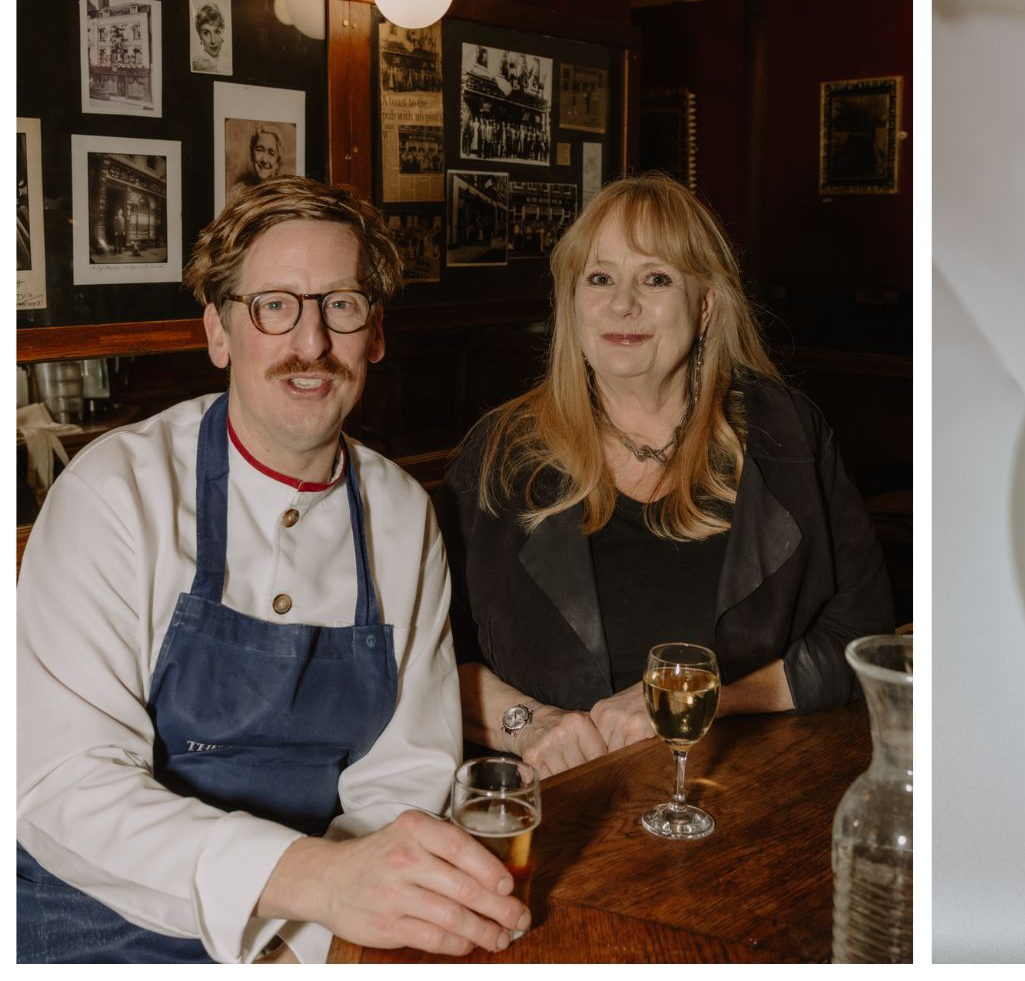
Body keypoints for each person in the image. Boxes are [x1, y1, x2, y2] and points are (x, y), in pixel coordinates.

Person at [17, 177, 528, 963]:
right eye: (274, 306)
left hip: (317, 934)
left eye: (342, 305)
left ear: (376, 333)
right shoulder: (115, 494)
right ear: (219, 333)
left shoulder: (399, 512)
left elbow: (406, 771)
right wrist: (308, 883)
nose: (312, 344)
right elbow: (67, 788)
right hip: (97, 924)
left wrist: (306, 935)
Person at [437, 174, 894, 779]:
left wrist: (705, 699)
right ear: (572, 303)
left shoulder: (785, 435)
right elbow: (427, 656)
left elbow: (862, 640)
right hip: (561, 806)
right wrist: (527, 723)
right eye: (600, 278)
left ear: (705, 306)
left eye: (656, 278)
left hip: (748, 796)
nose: (622, 303)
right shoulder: (499, 455)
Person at [192, 3, 227, 73]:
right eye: (206, 33)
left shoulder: (228, 62)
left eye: (217, 32)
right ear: (199, 36)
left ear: (222, 33)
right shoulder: (197, 64)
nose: (213, 41)